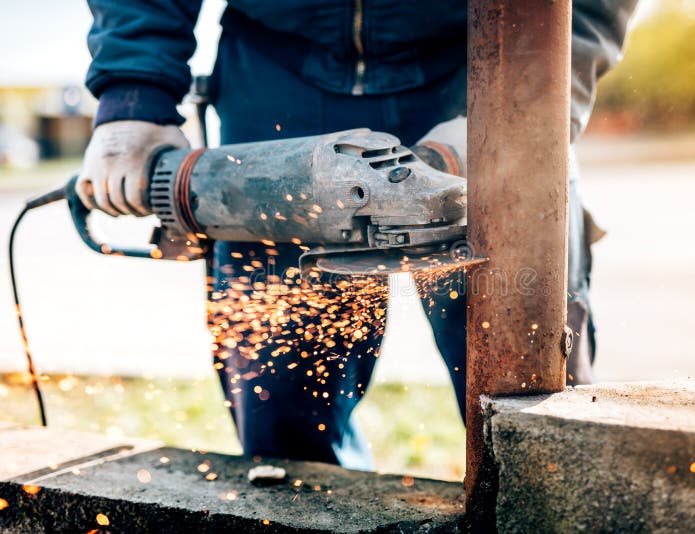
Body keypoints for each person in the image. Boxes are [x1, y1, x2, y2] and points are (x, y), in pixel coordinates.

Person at [78, 0, 638, 470]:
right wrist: (133, 93)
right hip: (278, 75)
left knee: (536, 401)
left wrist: (526, 101)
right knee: (284, 412)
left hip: (491, 49)